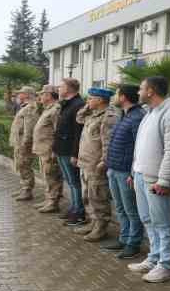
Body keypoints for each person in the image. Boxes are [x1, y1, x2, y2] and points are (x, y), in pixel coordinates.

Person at [127, 76, 170, 283]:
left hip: (157, 180)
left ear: (151, 91)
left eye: (141, 89)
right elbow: (141, 146)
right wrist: (133, 171)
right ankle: (153, 258)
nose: (138, 92)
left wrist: (164, 180)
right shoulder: (150, 113)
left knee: (163, 223)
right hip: (141, 175)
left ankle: (165, 265)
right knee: (147, 219)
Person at [102, 84, 146, 259]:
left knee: (131, 209)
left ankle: (133, 243)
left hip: (125, 171)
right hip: (114, 168)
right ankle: (124, 238)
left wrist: (132, 173)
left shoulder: (137, 117)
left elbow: (138, 148)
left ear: (123, 97)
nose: (114, 97)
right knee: (120, 207)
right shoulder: (124, 115)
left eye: (117, 94)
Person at [73, 87, 117, 242]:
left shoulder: (108, 117)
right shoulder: (92, 114)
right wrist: (88, 106)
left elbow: (108, 143)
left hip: (96, 164)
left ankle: (101, 227)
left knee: (98, 196)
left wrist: (104, 161)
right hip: (85, 162)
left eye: (90, 98)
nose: (87, 101)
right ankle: (93, 222)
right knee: (87, 195)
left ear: (99, 100)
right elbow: (78, 118)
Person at [53, 78, 86, 225]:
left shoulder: (78, 105)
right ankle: (73, 207)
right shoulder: (67, 104)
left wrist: (75, 154)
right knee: (70, 181)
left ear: (69, 88)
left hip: (69, 151)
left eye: (61, 86)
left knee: (74, 182)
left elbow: (78, 133)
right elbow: (60, 129)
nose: (58, 89)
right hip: (62, 149)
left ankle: (79, 211)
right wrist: (55, 148)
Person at [32, 85, 62, 213]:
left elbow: (58, 131)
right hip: (43, 149)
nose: (40, 97)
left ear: (49, 95)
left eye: (42, 94)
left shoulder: (56, 109)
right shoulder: (48, 109)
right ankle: (48, 199)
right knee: (47, 175)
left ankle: (53, 202)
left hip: (49, 150)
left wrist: (55, 150)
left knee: (52, 176)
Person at [9, 86, 41, 201]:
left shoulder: (30, 108)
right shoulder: (25, 107)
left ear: (27, 95)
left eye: (20, 93)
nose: (18, 95)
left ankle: (27, 190)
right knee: (21, 165)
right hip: (20, 142)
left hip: (24, 143)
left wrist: (25, 143)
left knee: (24, 165)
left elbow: (29, 128)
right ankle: (24, 187)